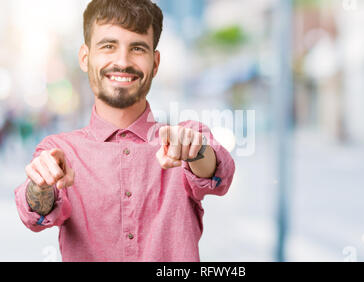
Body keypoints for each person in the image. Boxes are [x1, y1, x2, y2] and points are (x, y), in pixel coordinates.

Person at [14, 0, 235, 262]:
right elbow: (34, 214)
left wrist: (195, 150)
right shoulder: (60, 151)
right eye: (108, 46)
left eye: (137, 48)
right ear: (85, 58)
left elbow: (218, 171)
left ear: (155, 62)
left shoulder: (184, 137)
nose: (122, 61)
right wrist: (41, 185)